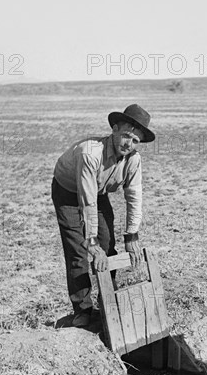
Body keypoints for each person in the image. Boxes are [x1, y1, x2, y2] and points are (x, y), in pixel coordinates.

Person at [51, 104, 156, 327]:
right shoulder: (90, 153)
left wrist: (132, 236)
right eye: (126, 136)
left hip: (96, 192)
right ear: (114, 129)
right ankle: (83, 310)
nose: (129, 144)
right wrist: (91, 242)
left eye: (135, 141)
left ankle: (108, 299)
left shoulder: (133, 160)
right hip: (68, 191)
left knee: (108, 244)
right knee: (78, 251)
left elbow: (134, 197)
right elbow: (86, 201)